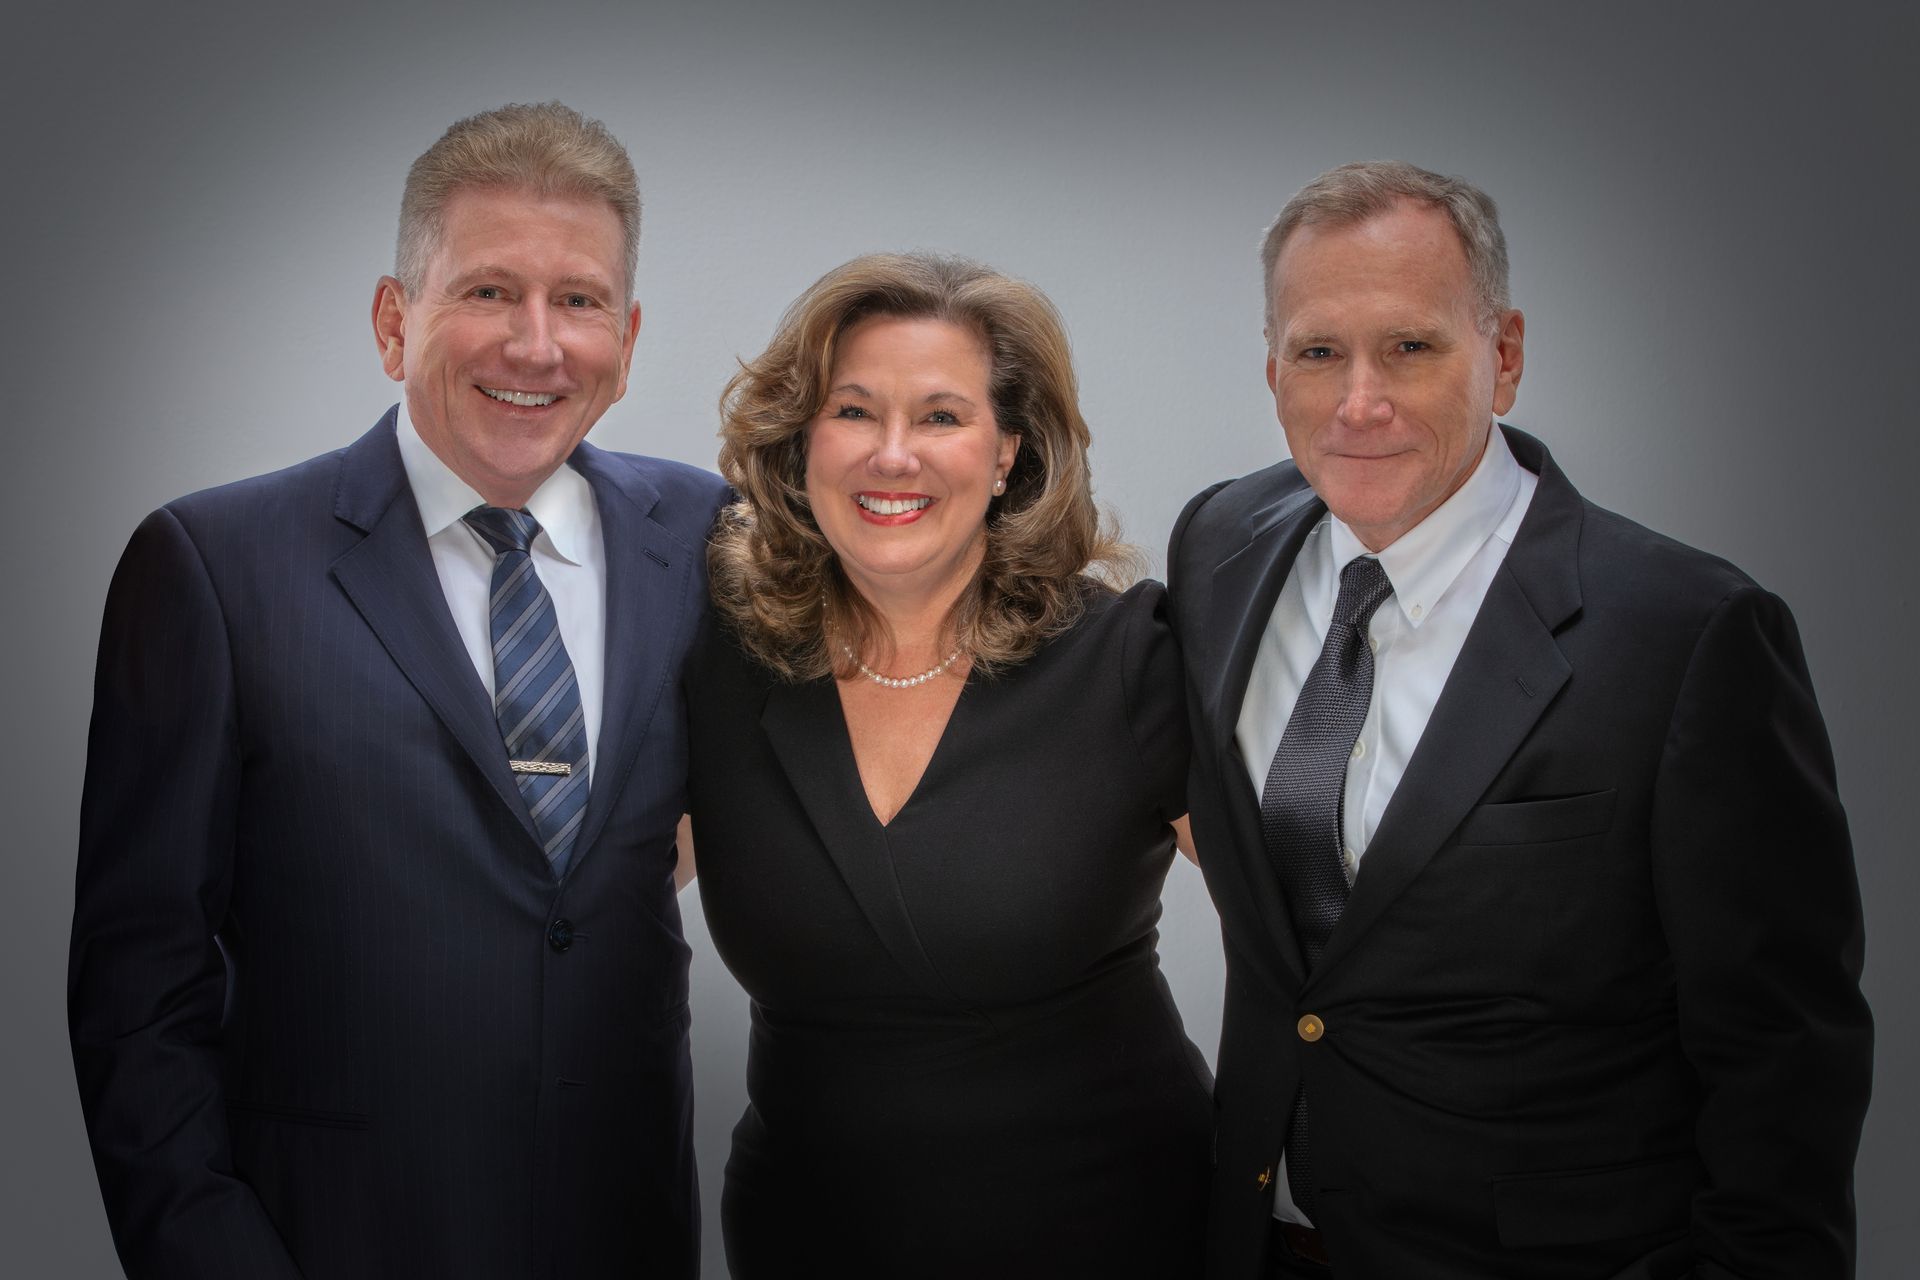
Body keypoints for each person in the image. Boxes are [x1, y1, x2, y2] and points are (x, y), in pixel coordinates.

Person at [1168, 161, 1872, 1278]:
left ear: (1502, 353)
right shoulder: (1220, 544)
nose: (1360, 402)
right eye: (1318, 352)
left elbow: (1783, 1051)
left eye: (1410, 345)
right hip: (1259, 1236)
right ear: (1272, 367)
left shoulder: (1688, 634)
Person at [68, 102, 726, 1279]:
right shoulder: (215, 567)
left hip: (624, 1237)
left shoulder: (711, 542)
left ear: (625, 340)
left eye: (577, 301)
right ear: (392, 320)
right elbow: (136, 993)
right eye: (487, 291)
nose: (537, 344)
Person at [687, 251, 1212, 1276]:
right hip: (809, 1237)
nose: (893, 454)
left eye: (940, 416)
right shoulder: (724, 660)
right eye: (853, 411)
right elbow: (585, 897)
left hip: (1112, 1231)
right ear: (801, 441)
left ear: (1009, 449)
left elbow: (1299, 940)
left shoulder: (1127, 657)